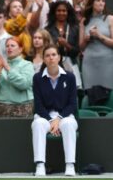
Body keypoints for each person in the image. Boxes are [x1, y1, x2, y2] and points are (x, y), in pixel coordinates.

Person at [31, 45, 78, 176]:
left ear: (59, 57)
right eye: (47, 55)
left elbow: (72, 104)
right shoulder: (37, 78)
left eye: (53, 55)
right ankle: (40, 165)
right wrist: (51, 120)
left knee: (68, 124)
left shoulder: (70, 77)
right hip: (44, 116)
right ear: (44, 59)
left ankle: (70, 165)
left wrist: (59, 119)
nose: (51, 58)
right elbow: (38, 105)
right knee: (38, 124)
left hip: (65, 116)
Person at [79, 0, 113, 92]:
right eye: (98, 0)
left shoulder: (110, 19)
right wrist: (86, 39)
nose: (101, 3)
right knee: (91, 94)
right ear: (92, 3)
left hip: (108, 63)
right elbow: (81, 47)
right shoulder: (84, 21)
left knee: (108, 94)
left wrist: (99, 35)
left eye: (103, 1)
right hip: (89, 63)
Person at [0, 37, 34, 117]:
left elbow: (24, 84)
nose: (9, 48)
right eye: (7, 46)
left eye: (12, 45)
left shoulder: (27, 64)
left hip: (22, 107)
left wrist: (7, 68)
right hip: (0, 106)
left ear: (20, 49)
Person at [46, 0, 81, 87]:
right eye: (58, 10)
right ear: (54, 12)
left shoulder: (75, 28)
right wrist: (56, 44)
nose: (61, 13)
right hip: (53, 66)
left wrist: (66, 45)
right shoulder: (48, 29)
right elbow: (45, 50)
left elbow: (77, 51)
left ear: (68, 12)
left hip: (71, 65)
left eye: (64, 11)